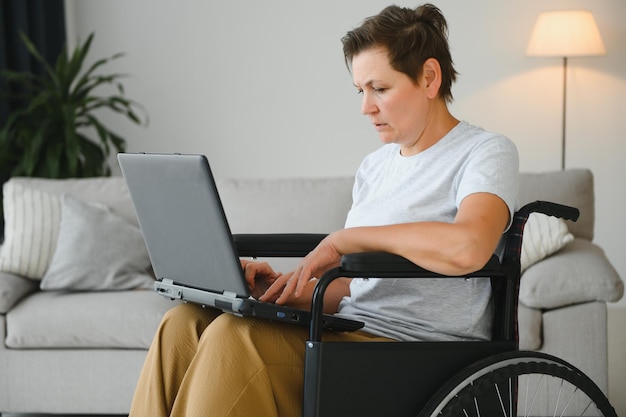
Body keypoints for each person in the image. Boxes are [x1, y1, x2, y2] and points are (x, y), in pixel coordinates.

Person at [129, 4, 518, 417]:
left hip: (417, 351)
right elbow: (356, 288)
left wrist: (344, 240)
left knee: (233, 336)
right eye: (360, 91)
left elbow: (470, 247)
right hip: (351, 336)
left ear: (429, 77)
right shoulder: (376, 166)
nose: (365, 107)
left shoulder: (485, 151)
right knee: (183, 323)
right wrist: (278, 290)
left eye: (379, 89)